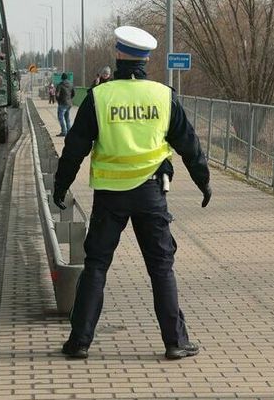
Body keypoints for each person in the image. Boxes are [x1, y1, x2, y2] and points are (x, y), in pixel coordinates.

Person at [52, 25, 211, 361]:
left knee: (96, 266)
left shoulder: (100, 96)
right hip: (151, 193)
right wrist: (204, 181)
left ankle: (79, 342)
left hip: (110, 196)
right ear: (147, 59)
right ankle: (175, 342)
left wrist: (61, 185)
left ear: (119, 56)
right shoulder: (163, 96)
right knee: (161, 268)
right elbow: (189, 143)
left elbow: (74, 148)